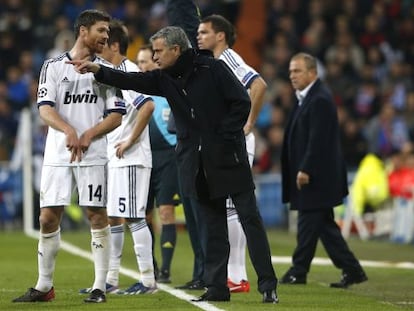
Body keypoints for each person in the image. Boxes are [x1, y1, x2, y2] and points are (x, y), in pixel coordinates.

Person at [69, 25, 278, 304]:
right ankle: (217, 287)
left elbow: (241, 102)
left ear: (176, 50)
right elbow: (133, 80)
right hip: (197, 163)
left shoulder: (212, 69)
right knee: (212, 225)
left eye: (158, 51)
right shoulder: (165, 78)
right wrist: (98, 70)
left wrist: (222, 137)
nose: (154, 57)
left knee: (250, 219)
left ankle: (268, 285)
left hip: (229, 159)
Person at [13, 10, 126, 304]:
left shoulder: (106, 71)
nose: (106, 36)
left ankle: (100, 287)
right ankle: (44, 286)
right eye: (101, 30)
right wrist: (68, 131)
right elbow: (45, 108)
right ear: (83, 30)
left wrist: (88, 134)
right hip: (58, 153)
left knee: (96, 215)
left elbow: (116, 115)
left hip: (93, 153)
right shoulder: (52, 67)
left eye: (107, 31)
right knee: (48, 217)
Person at [79, 19, 157, 295]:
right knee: (114, 216)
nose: (99, 47)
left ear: (115, 44)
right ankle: (110, 279)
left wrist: (130, 139)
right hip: (117, 157)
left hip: (132, 157)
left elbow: (147, 105)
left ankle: (148, 281)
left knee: (134, 217)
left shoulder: (129, 71)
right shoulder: (112, 72)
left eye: (104, 41)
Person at [280, 52, 368, 288]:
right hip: (316, 175)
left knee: (309, 224)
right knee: (324, 227)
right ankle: (352, 270)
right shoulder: (308, 97)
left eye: (297, 70)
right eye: (290, 71)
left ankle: (298, 270)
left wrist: (306, 168)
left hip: (316, 176)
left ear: (313, 73)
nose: (292, 75)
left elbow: (319, 140)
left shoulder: (319, 99)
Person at [196, 13, 267, 294]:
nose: (199, 36)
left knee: (233, 208)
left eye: (204, 32)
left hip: (236, 142)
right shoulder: (212, 63)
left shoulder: (229, 58)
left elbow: (259, 84)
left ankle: (238, 276)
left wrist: (248, 123)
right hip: (222, 143)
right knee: (225, 208)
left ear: (220, 36)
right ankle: (231, 274)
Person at [137, 44, 180, 284]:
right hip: (143, 157)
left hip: (167, 158)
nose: (142, 66)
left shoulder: (167, 89)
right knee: (144, 215)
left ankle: (165, 268)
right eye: (139, 62)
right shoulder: (133, 92)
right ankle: (150, 264)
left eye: (146, 61)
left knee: (166, 211)